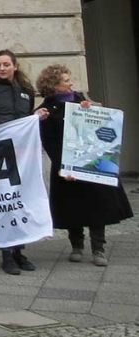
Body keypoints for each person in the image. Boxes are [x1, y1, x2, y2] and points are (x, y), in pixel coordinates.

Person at [35, 64, 132, 267]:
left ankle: (98, 248)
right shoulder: (46, 110)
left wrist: (93, 110)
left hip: (90, 163)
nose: (71, 83)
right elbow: (49, 142)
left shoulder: (82, 100)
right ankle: (76, 245)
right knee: (73, 207)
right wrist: (64, 167)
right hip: (66, 166)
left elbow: (100, 127)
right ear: (54, 85)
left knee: (98, 205)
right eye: (66, 80)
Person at [0, 50, 49, 275]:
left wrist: (37, 116)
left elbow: (26, 121)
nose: (2, 68)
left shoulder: (26, 90)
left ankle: (18, 251)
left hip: (22, 155)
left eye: (6, 64)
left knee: (21, 202)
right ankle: (6, 253)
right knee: (4, 203)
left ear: (15, 66)